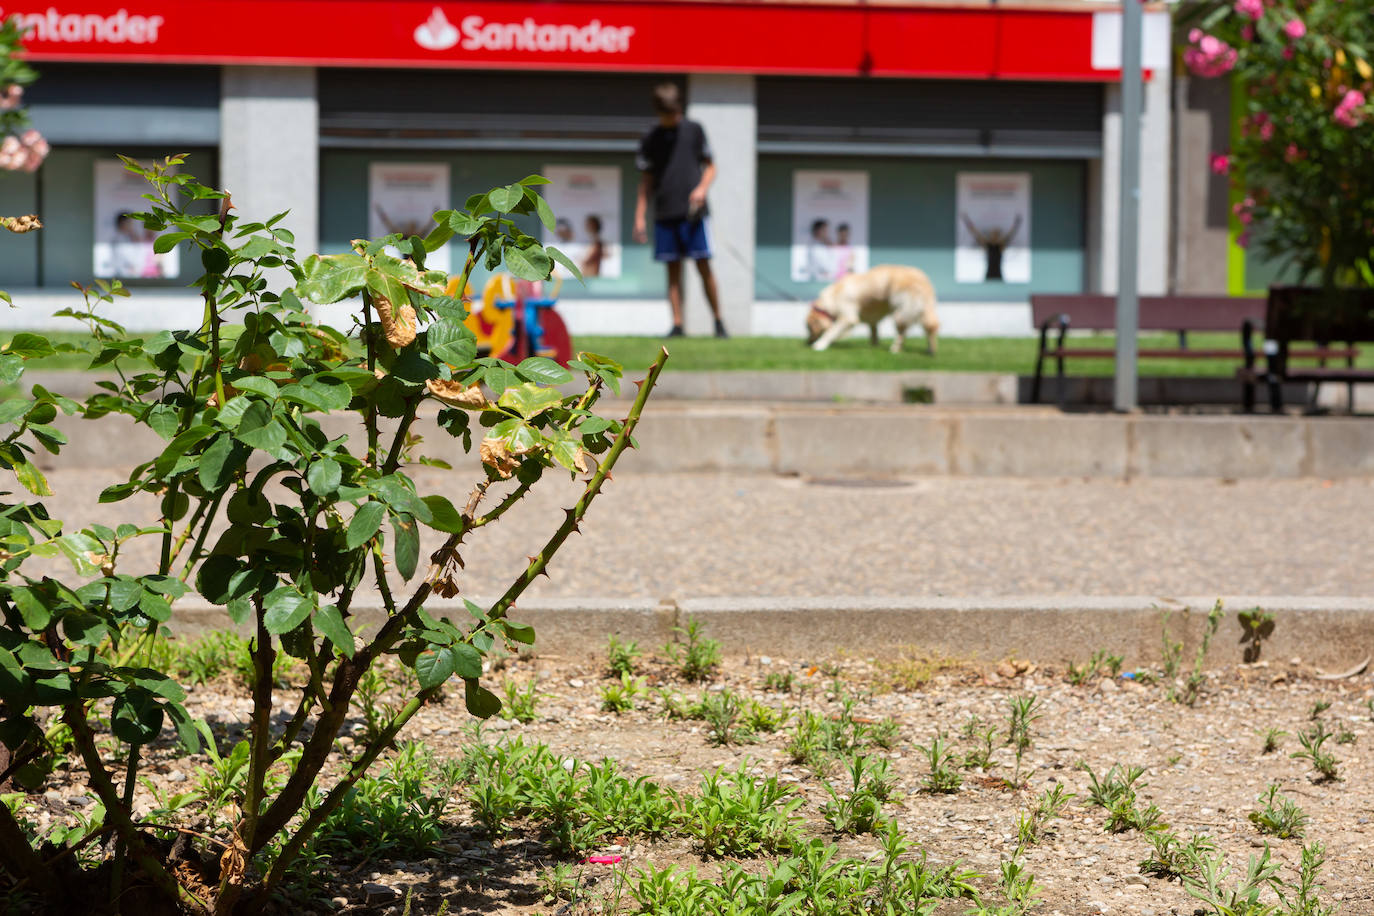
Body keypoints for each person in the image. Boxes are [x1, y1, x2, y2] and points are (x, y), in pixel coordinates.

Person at [634, 82, 727, 338]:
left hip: (694, 213)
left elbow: (711, 167)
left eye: (677, 111)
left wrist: (702, 189)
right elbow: (646, 181)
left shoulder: (694, 130)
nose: (675, 117)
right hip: (665, 212)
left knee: (703, 266)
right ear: (658, 111)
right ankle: (677, 324)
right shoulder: (650, 138)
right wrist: (639, 216)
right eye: (669, 113)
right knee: (672, 270)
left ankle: (719, 322)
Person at [581, 214, 605, 278]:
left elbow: (586, 261)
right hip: (585, 277)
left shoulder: (597, 243)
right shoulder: (589, 242)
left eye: (589, 224)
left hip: (592, 277)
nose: (587, 226)